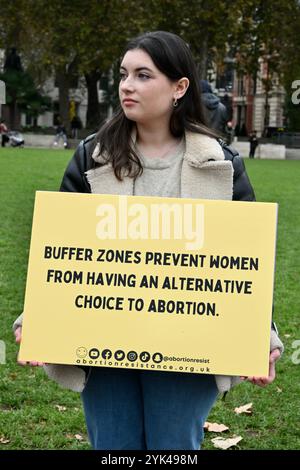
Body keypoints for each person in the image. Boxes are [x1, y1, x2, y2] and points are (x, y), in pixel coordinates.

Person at [13, 31, 284, 451]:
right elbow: (61, 251)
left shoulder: (221, 163)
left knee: (173, 447)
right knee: (114, 448)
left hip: (189, 345)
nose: (127, 85)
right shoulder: (92, 155)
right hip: (103, 345)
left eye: (143, 75)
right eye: (124, 74)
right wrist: (38, 321)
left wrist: (260, 336)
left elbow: (244, 261)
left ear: (179, 88)